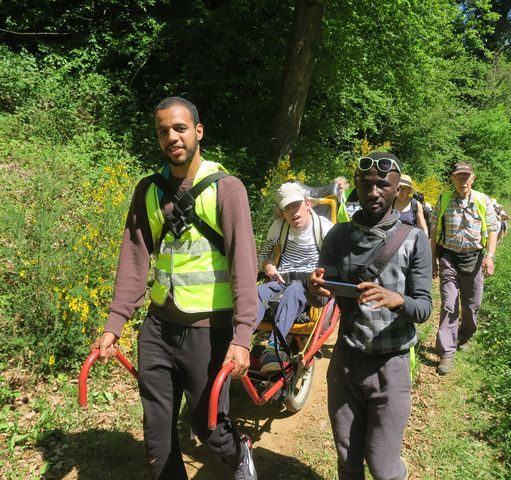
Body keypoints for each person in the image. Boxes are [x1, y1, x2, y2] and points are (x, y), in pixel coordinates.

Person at [91, 97, 259, 480]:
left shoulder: (227, 189)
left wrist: (243, 334)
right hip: (158, 330)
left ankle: (239, 455)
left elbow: (244, 265)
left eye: (180, 128)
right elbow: (134, 260)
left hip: (209, 332)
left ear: (198, 131)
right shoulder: (148, 191)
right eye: (163, 131)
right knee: (157, 434)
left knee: (210, 429)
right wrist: (114, 324)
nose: (172, 137)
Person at [307, 152, 433, 480]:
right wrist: (316, 290)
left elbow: (423, 307)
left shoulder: (414, 240)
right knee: (348, 461)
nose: (374, 191)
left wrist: (396, 300)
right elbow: (325, 295)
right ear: (357, 187)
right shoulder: (338, 236)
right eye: (367, 184)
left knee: (382, 466)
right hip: (346, 361)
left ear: (397, 189)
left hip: (390, 365)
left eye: (383, 185)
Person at [255, 182, 334, 372]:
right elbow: (264, 256)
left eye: (296, 205)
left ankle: (274, 347)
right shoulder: (279, 227)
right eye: (287, 208)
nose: (293, 212)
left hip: (312, 286)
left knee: (295, 290)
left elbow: (338, 261)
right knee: (255, 292)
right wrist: (268, 265)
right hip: (283, 280)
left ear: (307, 204)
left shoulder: (324, 227)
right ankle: (236, 343)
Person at [430, 162, 499, 375]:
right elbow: (434, 231)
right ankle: (446, 353)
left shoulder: (482, 200)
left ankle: (463, 336)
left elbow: (494, 229)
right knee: (449, 304)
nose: (463, 180)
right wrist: (433, 258)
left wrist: (490, 256)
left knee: (471, 306)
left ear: (473, 178)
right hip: (449, 258)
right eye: (459, 176)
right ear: (453, 179)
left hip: (475, 259)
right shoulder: (443, 200)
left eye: (466, 176)